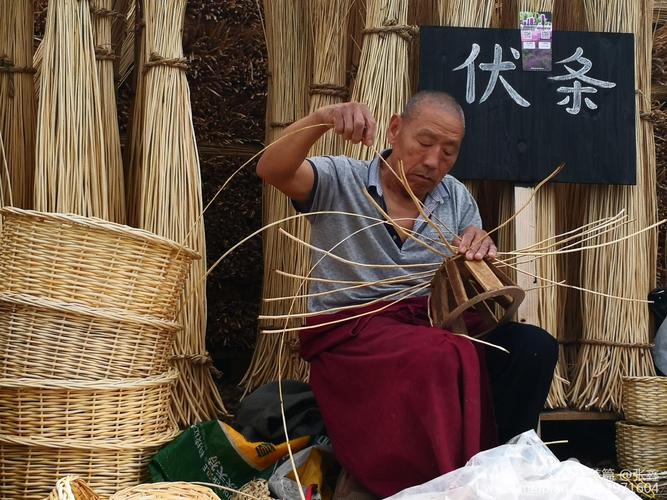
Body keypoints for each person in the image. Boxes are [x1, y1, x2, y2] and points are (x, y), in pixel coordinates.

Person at [257, 91, 558, 498]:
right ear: (396, 130)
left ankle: (495, 470)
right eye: (425, 142)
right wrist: (323, 117)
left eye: (449, 152)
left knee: (531, 347)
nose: (434, 162)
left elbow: (474, 289)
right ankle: (429, 481)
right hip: (354, 335)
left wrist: (481, 248)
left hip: (431, 326)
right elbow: (271, 168)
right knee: (440, 353)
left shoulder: (456, 198)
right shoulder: (340, 179)